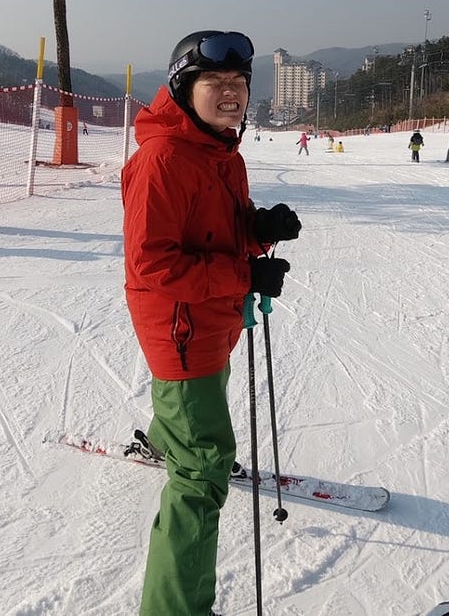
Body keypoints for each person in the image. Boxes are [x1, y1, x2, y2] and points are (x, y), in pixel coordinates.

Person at [122, 30, 300, 616]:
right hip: (181, 330)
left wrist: (258, 229)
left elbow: (222, 224)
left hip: (208, 321)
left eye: (239, 82)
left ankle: (169, 436)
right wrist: (244, 274)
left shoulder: (221, 151)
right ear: (183, 89)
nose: (231, 93)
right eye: (215, 82)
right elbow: (153, 264)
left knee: (205, 394)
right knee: (201, 478)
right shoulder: (163, 160)